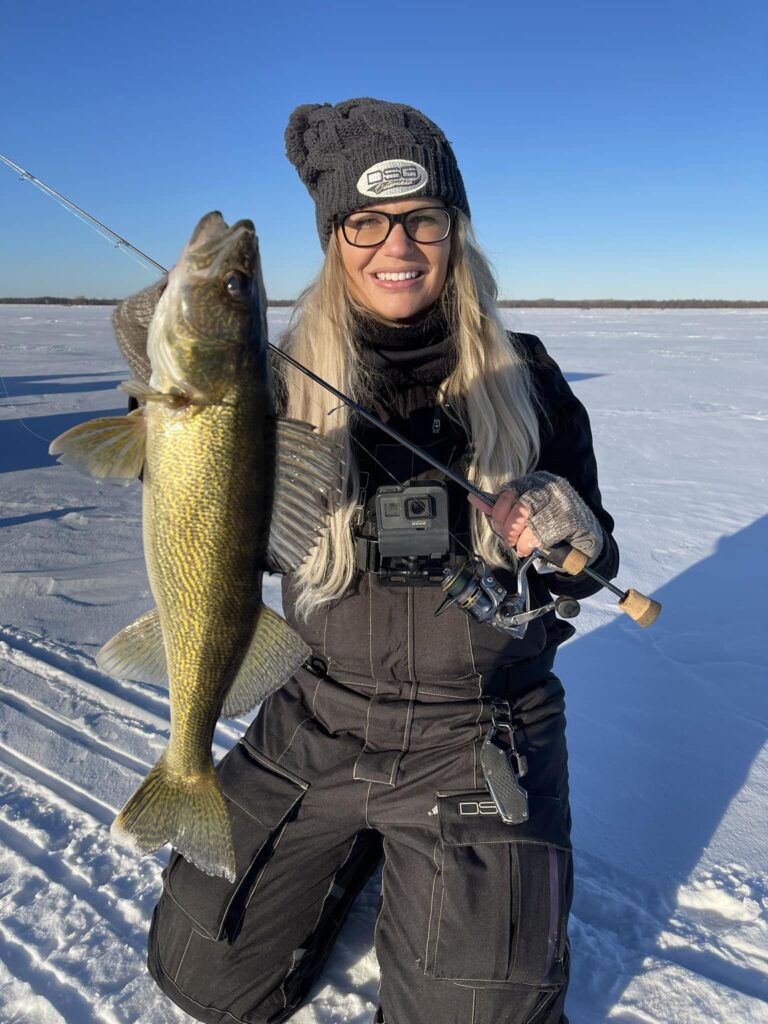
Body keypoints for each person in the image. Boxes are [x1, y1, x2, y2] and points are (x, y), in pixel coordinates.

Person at [114, 98, 619, 1024]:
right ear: (335, 238)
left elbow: (588, 568)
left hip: (478, 734)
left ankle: (415, 862)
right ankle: (350, 853)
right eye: (366, 221)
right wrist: (155, 343)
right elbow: (204, 497)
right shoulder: (272, 384)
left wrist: (566, 525)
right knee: (200, 974)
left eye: (422, 217)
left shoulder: (531, 380)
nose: (398, 243)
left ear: (453, 231)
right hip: (320, 711)